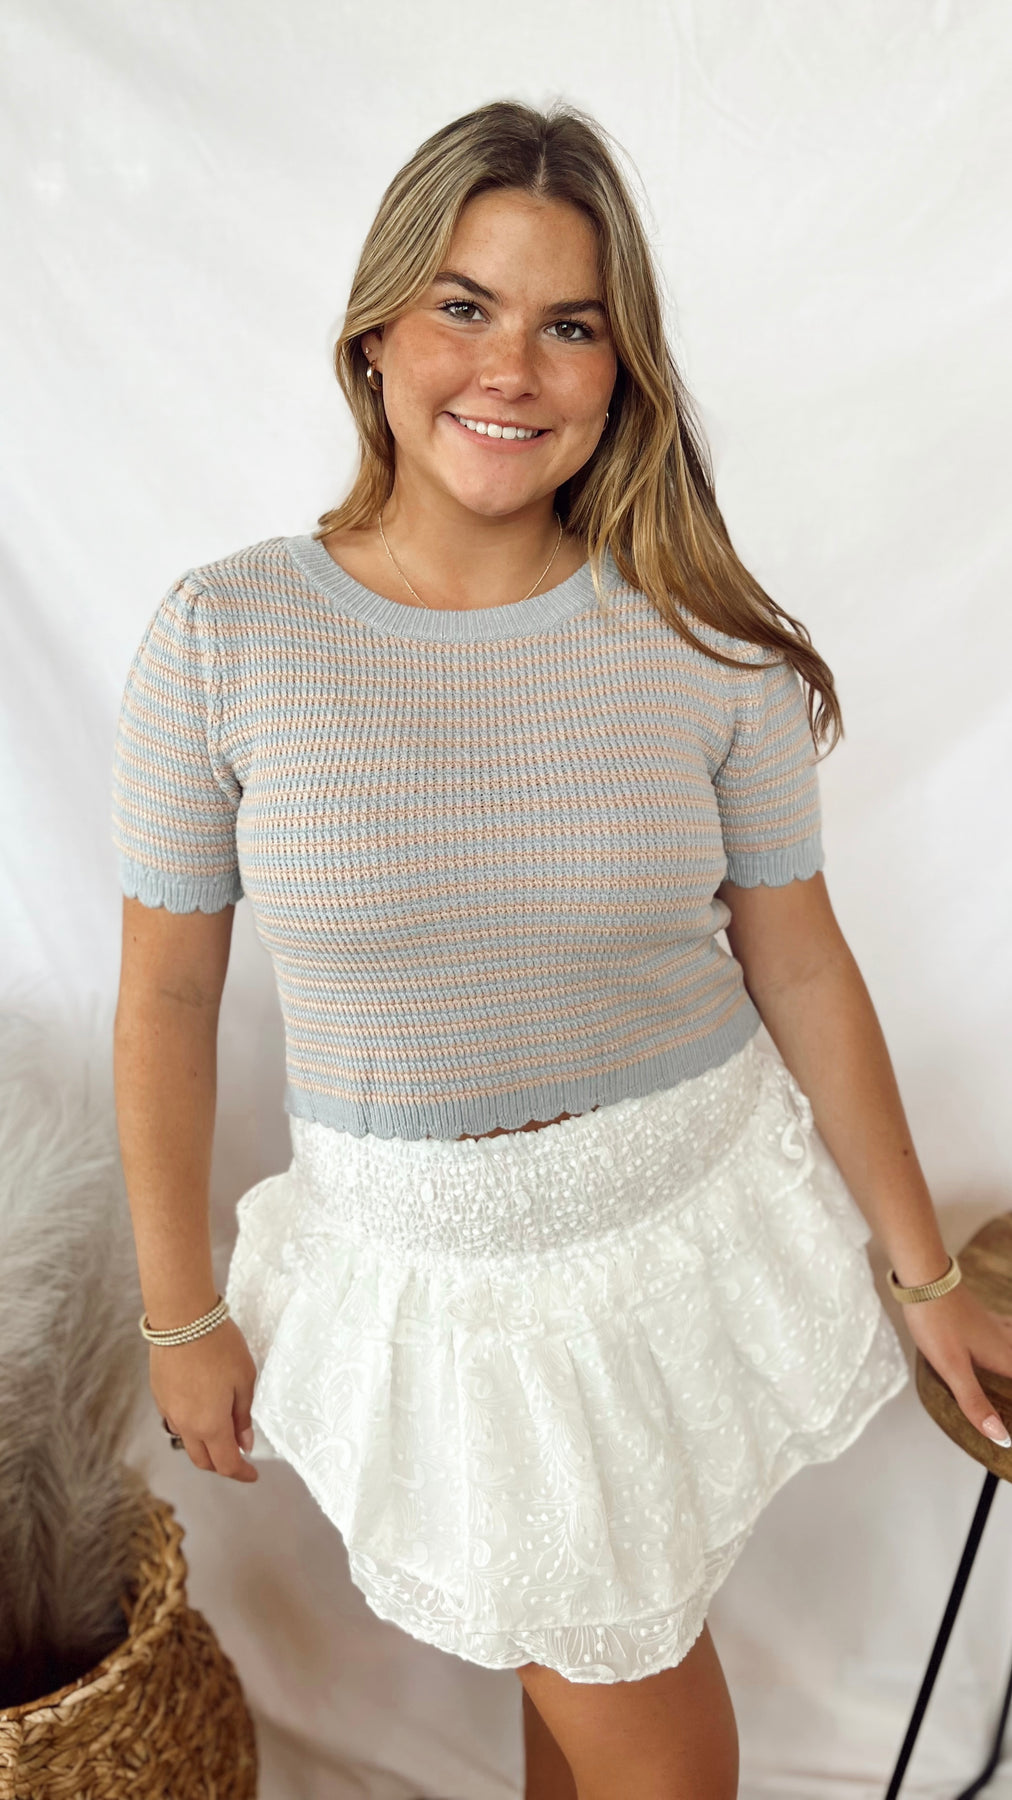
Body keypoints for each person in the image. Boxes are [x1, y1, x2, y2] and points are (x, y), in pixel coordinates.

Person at [110, 98, 1012, 1800]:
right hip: (432, 1292)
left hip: (682, 1238)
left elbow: (800, 963)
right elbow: (166, 990)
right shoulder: (226, 636)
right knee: (644, 1733)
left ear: (619, 371)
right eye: (465, 305)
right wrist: (178, 1309)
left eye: (570, 325)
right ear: (375, 335)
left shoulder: (699, 638)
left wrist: (919, 1276)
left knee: (604, 1706)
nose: (510, 369)